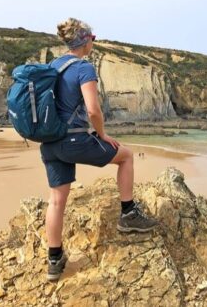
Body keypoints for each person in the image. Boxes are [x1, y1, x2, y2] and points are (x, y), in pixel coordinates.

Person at [41, 18, 158, 282]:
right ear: (85, 40)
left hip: (50, 143)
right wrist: (102, 135)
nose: (94, 40)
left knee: (56, 201)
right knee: (125, 155)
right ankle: (128, 214)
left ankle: (54, 260)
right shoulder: (84, 68)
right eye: (92, 37)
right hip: (73, 141)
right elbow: (93, 109)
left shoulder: (54, 65)